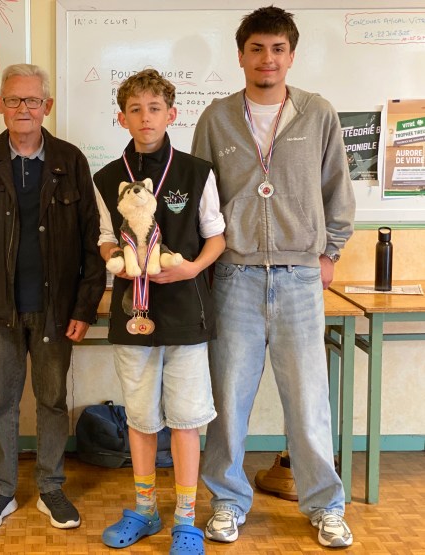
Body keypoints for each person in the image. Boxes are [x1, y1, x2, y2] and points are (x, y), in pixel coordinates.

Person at [190, 6, 356, 549]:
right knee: (228, 401)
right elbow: (200, 202)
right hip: (234, 277)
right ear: (241, 56)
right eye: (257, 48)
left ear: (291, 55)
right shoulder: (216, 118)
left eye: (278, 49)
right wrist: (205, 266)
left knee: (309, 403)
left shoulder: (318, 113)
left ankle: (326, 506)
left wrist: (329, 253)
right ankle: (227, 502)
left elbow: (337, 190)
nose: (268, 58)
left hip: (300, 279)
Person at [0, 63, 105, 530]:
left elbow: (92, 241)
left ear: (48, 106)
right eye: (13, 99)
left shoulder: (70, 160)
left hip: (56, 311)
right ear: (0, 105)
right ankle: (1, 491)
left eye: (33, 100)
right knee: (1, 404)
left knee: (52, 401)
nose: (23, 108)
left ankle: (51, 488)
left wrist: (84, 307)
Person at [94, 69, 226, 555]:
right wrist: (117, 260)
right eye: (135, 109)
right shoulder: (106, 177)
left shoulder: (197, 171)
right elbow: (105, 237)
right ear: (122, 118)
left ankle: (186, 518)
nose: (145, 118)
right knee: (141, 417)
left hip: (186, 312)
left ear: (172, 114)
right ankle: (146, 509)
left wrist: (192, 269)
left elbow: (217, 237)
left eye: (154, 109)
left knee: (186, 420)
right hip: (133, 311)